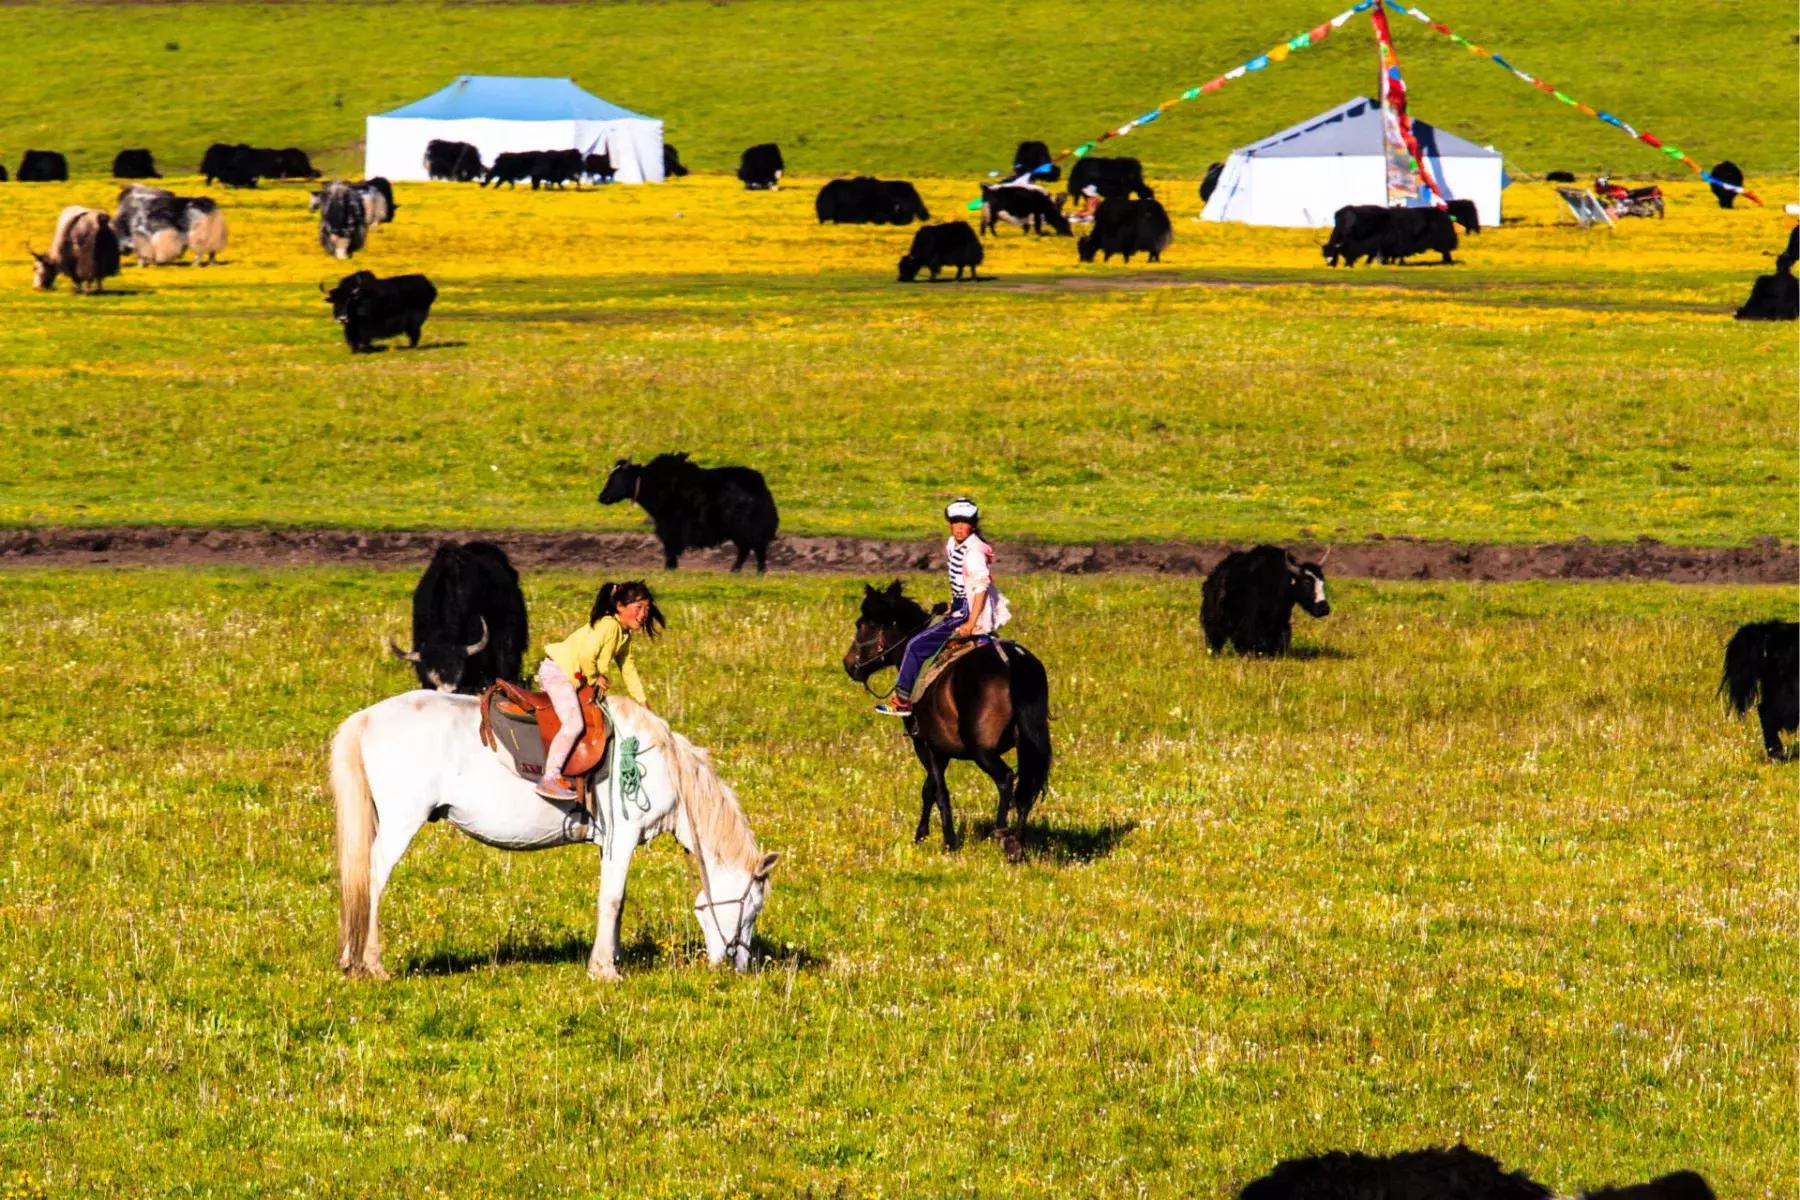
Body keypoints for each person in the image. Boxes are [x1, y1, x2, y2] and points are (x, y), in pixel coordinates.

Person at [876, 498, 1011, 716]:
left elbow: (981, 588)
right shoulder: (953, 545)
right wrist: (954, 604)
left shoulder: (974, 552)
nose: (959, 527)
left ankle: (902, 700)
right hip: (962, 606)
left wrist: (971, 622)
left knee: (915, 646)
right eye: (955, 521)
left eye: (964, 522)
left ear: (973, 525)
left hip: (970, 612)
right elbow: (963, 583)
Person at [535, 581, 666, 800]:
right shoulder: (608, 626)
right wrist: (595, 677)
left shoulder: (623, 635)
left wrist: (642, 702)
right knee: (573, 723)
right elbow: (587, 655)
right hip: (559, 672)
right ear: (620, 607)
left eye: (647, 609)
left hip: (573, 678)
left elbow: (628, 668)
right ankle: (549, 777)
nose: (644, 614)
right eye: (639, 608)